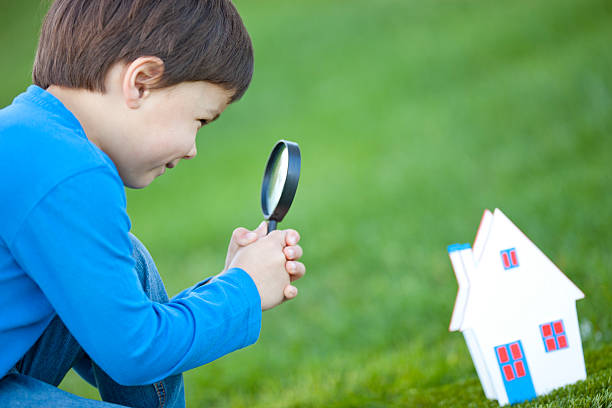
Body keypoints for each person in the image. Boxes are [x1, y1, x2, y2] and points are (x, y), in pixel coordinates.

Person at [0, 1, 306, 407]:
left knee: (130, 259)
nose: (194, 149)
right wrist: (244, 291)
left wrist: (227, 283)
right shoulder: (71, 171)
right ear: (141, 82)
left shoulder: (31, 135)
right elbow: (134, 352)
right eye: (200, 120)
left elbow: (119, 332)